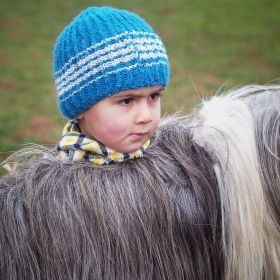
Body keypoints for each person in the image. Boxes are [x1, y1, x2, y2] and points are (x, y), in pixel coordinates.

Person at [54, 6, 170, 164]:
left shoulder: (172, 163)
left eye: (153, 96)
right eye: (127, 100)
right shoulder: (62, 185)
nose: (146, 117)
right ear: (80, 108)